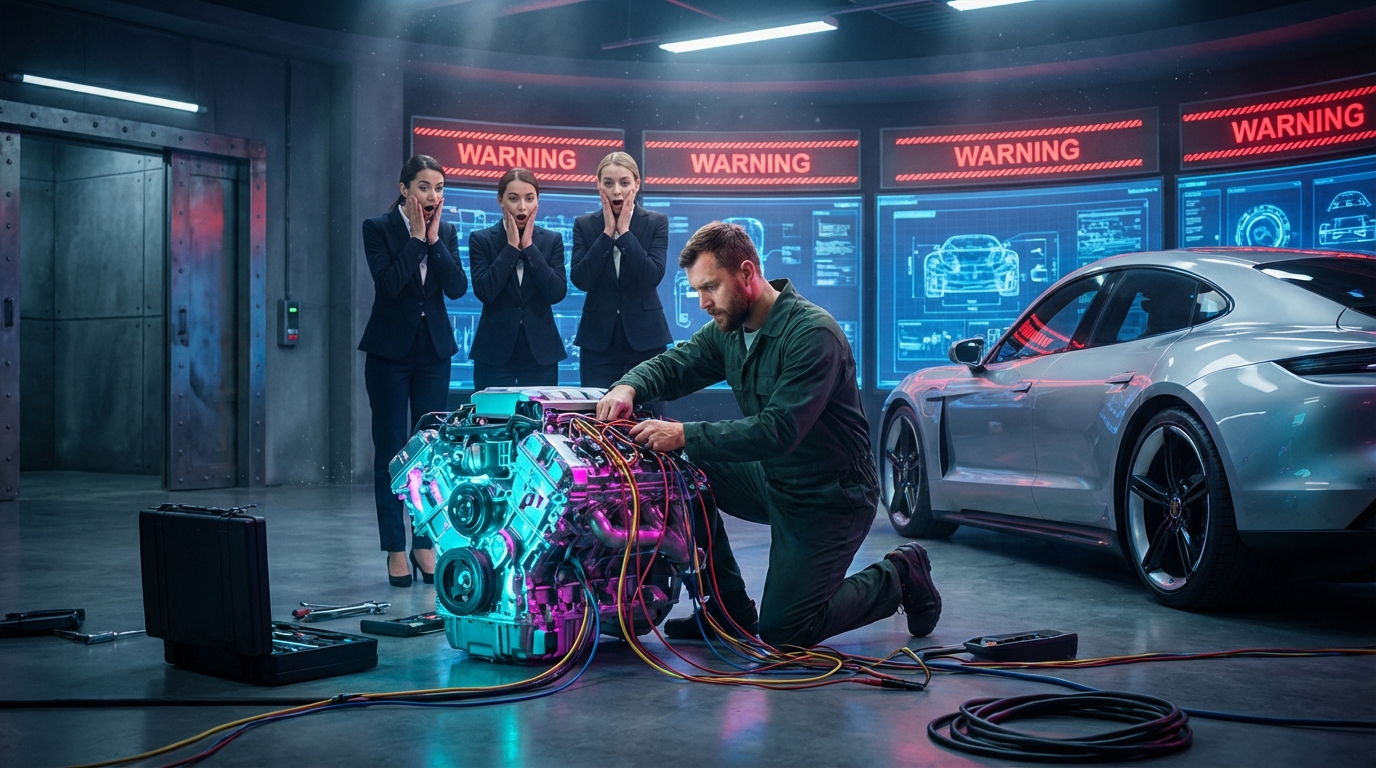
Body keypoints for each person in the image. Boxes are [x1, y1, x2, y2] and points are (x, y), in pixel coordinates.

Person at [596, 221, 941, 648]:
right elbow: (677, 363)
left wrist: (684, 433)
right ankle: (728, 612)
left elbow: (779, 430)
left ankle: (900, 574)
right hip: (773, 479)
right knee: (680, 476)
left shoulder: (812, 334)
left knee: (786, 630)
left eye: (711, 288)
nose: (703, 303)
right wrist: (628, 386)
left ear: (746, 274)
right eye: (697, 291)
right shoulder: (730, 328)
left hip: (829, 495)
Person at [360, 154, 468, 588]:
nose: (433, 196)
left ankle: (425, 543)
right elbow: (389, 285)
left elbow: (458, 288)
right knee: (391, 450)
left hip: (433, 354)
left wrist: (436, 240)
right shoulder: (378, 228)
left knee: (429, 452)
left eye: (439, 188)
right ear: (405, 189)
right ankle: (393, 548)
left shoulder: (448, 233)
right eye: (425, 187)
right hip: (388, 353)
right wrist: (418, 239)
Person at [571, 152, 672, 388]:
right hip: (598, 341)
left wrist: (625, 233)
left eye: (624, 183)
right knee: (597, 416)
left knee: (648, 416)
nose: (616, 191)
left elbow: (652, 276)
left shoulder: (656, 222)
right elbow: (580, 279)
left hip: (647, 338)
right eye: (608, 183)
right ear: (598, 185)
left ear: (637, 184)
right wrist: (607, 234)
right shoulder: (584, 225)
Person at [467, 168, 568, 389]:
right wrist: (512, 247)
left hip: (541, 354)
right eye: (514, 199)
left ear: (537, 202)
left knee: (538, 422)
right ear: (500, 201)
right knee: (493, 420)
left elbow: (557, 292)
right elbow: (485, 291)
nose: (522, 207)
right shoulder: (481, 239)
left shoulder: (551, 240)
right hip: (493, 353)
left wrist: (529, 247)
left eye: (529, 199)